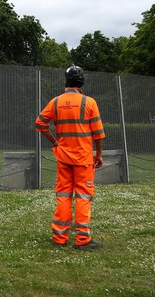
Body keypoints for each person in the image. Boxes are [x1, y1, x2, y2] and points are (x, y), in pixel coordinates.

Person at [35, 65, 105, 250]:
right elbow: (98, 134)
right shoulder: (89, 102)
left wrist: (54, 141)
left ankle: (60, 238)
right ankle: (82, 240)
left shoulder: (55, 102)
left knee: (64, 196)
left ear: (66, 82)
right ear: (81, 82)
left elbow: (40, 123)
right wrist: (98, 155)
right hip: (83, 159)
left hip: (63, 158)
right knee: (83, 196)